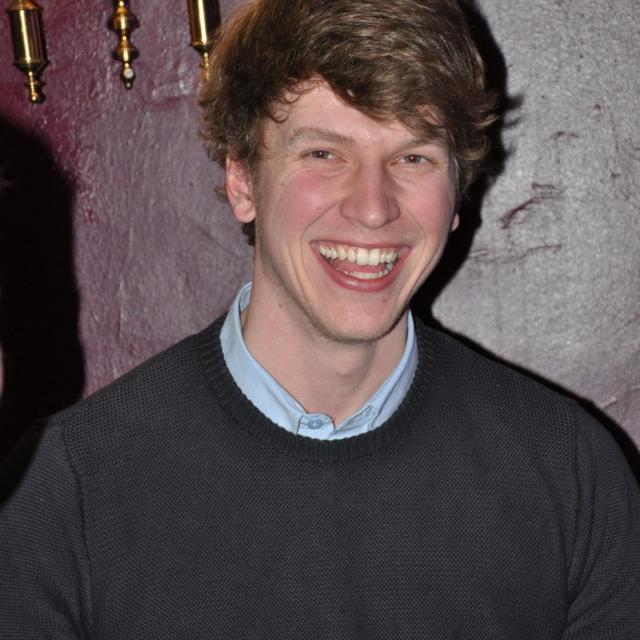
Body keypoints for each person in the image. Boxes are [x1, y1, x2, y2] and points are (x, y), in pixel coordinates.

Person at [1, 0, 639, 637]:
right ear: (243, 180)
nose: (373, 207)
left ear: (456, 195)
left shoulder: (571, 473)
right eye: (324, 154)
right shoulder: (64, 487)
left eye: (413, 157)